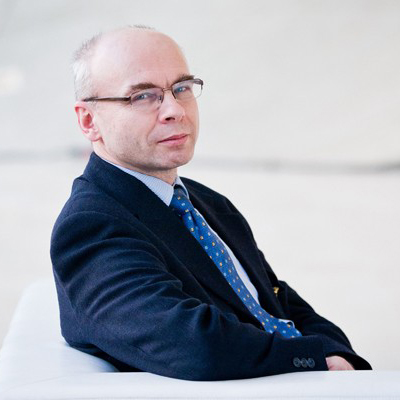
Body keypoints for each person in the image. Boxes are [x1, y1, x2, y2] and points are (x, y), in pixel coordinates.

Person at [50, 25, 371, 381]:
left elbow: (277, 302)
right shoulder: (92, 226)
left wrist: (337, 353)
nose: (174, 110)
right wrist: (311, 358)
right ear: (89, 120)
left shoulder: (207, 204)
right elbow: (193, 344)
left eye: (182, 88)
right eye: (143, 96)